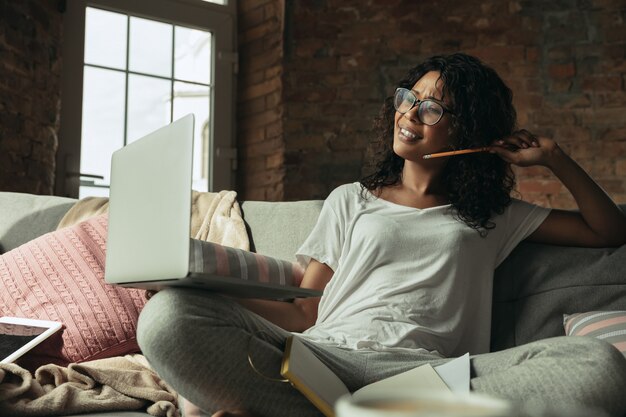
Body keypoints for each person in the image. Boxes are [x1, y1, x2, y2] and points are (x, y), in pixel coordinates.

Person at [137, 53, 626, 417]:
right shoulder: (351, 199)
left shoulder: (494, 215)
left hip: (429, 378)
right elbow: (305, 310)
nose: (410, 113)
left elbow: (607, 231)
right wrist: (196, 288)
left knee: (594, 364)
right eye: (408, 98)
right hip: (322, 359)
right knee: (166, 317)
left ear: (468, 131)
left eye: (433, 108)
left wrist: (555, 158)